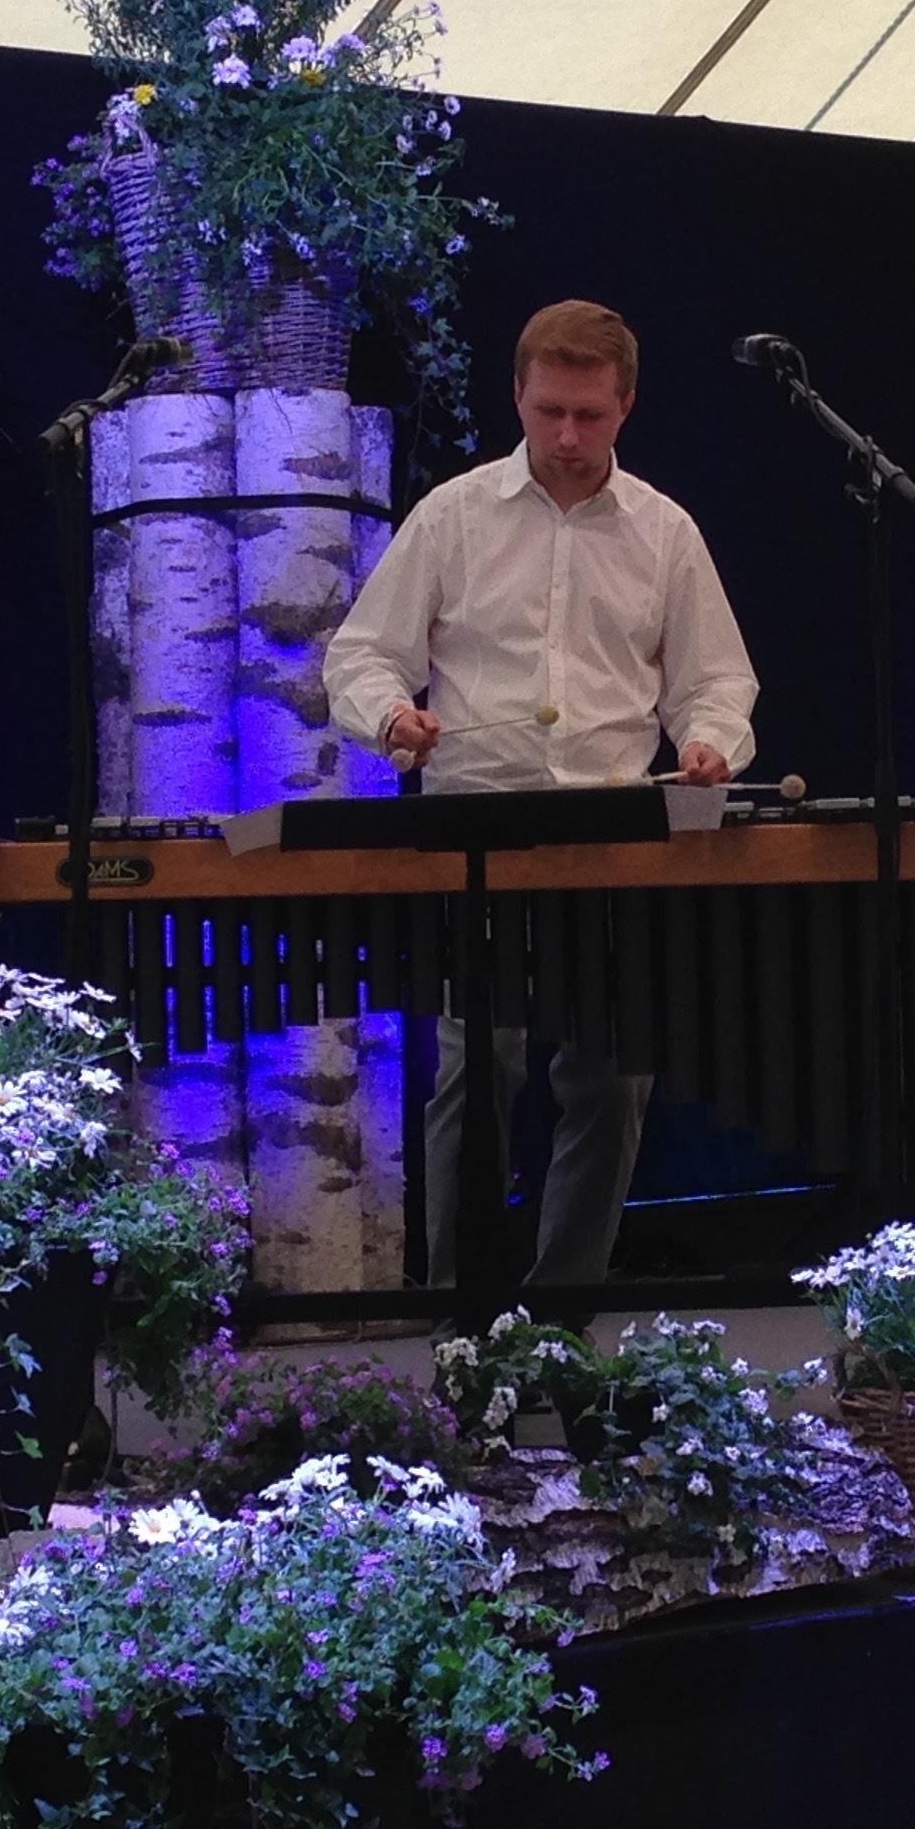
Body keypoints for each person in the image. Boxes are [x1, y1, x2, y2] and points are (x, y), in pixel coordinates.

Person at [323, 298, 759, 1289]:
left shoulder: (665, 533)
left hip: (612, 833)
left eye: (589, 415)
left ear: (626, 406)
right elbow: (363, 655)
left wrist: (709, 742)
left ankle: (561, 1317)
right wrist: (392, 718)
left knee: (615, 1081)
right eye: (549, 410)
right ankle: (464, 1319)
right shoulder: (454, 516)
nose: (566, 435)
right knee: (478, 1071)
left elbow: (717, 681)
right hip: (479, 831)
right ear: (517, 393)